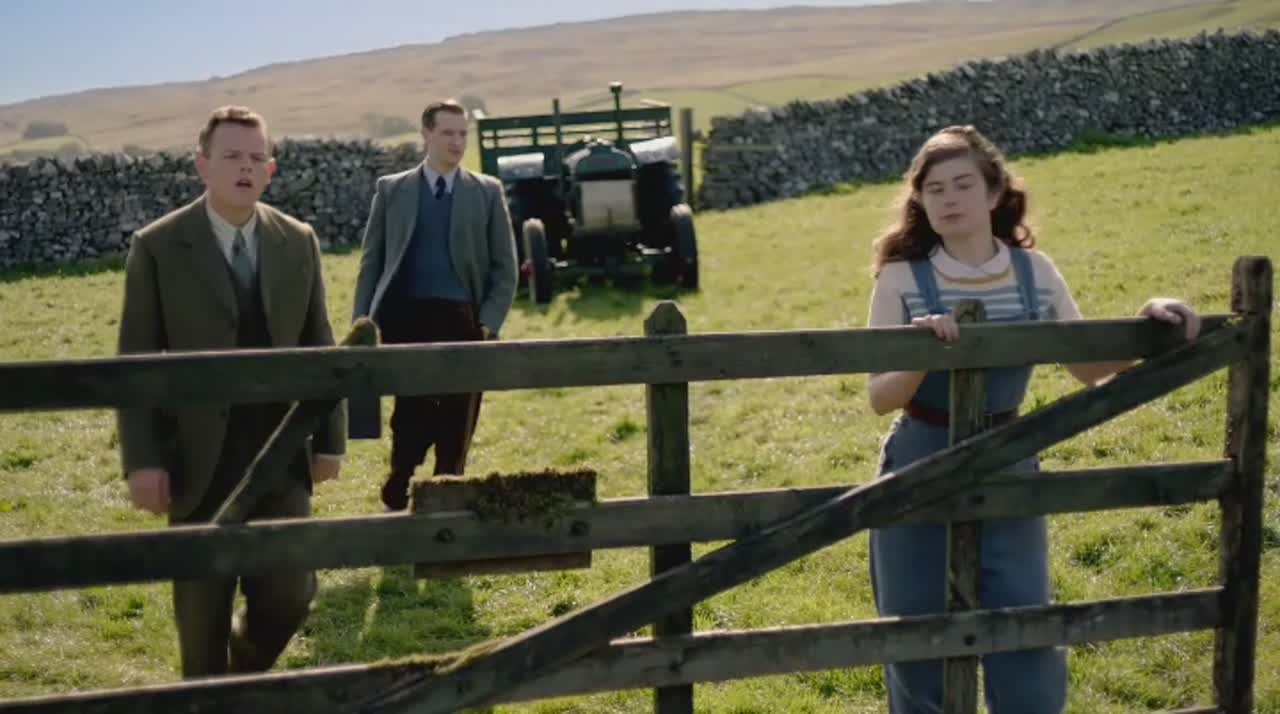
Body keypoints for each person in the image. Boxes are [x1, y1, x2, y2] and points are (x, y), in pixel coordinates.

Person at [863, 124, 1200, 714]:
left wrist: (1150, 321)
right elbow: (880, 398)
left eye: (963, 184)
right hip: (919, 459)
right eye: (934, 189)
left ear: (994, 193)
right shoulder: (900, 277)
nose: (948, 198)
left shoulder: (1033, 272)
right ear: (920, 200)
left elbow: (1088, 368)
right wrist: (921, 350)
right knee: (915, 631)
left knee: (1025, 623)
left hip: (1010, 457)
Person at [115, 105, 346, 678]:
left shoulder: (298, 241)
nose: (245, 167)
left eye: (256, 157)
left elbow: (321, 345)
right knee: (201, 626)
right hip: (196, 462)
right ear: (202, 165)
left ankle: (238, 677)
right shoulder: (158, 246)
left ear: (270, 169)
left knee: (292, 593)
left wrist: (330, 443)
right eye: (232, 156)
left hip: (280, 456)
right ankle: (208, 692)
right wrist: (142, 461)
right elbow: (134, 363)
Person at [350, 99, 517, 511]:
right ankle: (400, 481)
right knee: (411, 409)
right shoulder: (392, 190)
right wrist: (362, 321)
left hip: (464, 319)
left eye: (462, 133)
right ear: (426, 134)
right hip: (405, 318)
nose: (457, 142)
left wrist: (488, 323)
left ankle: (447, 492)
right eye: (447, 133)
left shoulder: (487, 192)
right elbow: (372, 261)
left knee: (459, 413)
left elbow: (506, 267)